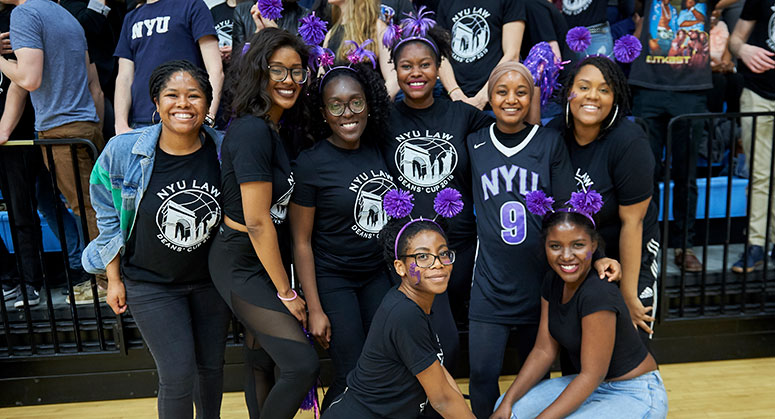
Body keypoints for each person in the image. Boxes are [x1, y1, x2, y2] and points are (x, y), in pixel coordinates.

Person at [466, 61, 618, 418]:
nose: (511, 99)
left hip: (540, 285)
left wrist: (596, 254)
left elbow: (569, 214)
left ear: (533, 96)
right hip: (489, 284)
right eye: (502, 92)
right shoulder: (473, 143)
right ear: (489, 97)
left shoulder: (548, 142)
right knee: (483, 374)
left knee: (537, 377)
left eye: (521, 92)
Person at [82, 60, 231, 419]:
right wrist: (113, 279)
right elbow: (106, 211)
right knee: (178, 373)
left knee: (210, 370)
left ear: (207, 103)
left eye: (194, 95)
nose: (184, 104)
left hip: (213, 282)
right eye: (172, 95)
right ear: (156, 101)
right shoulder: (125, 151)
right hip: (151, 284)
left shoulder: (226, 151)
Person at [207, 28, 319, 419]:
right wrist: (287, 293)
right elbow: (256, 222)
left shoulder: (271, 127)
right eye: (278, 70)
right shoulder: (254, 130)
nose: (289, 80)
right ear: (259, 72)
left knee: (261, 362)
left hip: (258, 260)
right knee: (301, 364)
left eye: (297, 72)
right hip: (241, 262)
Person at [381, 15, 492, 380]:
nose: (416, 73)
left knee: (447, 338)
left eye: (425, 64)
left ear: (439, 67)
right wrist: (386, 88)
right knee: (441, 341)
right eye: (406, 66)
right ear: (394, 70)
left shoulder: (462, 116)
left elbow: (514, 133)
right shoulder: (384, 120)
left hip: (457, 246)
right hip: (411, 254)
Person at [491, 201, 668, 418]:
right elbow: (543, 350)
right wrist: (507, 402)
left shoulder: (597, 292)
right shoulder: (552, 281)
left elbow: (592, 375)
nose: (566, 256)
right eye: (555, 246)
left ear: (593, 246)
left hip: (634, 391)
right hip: (592, 384)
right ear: (545, 246)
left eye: (577, 245)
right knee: (509, 410)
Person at [290, 62, 395, 410]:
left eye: (355, 102)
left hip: (376, 274)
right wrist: (315, 308)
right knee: (351, 373)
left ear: (368, 104)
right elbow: (301, 242)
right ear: (324, 113)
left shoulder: (378, 148)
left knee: (384, 363)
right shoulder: (311, 163)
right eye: (336, 105)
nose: (347, 113)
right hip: (334, 280)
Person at [547, 56, 661, 344]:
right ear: (568, 92)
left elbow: (632, 224)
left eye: (604, 89)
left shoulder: (629, 142)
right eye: (583, 87)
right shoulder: (553, 136)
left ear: (615, 98)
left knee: (632, 343)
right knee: (582, 349)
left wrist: (629, 295)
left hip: (631, 248)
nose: (593, 97)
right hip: (583, 253)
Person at [0, 0, 105, 305]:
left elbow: (28, 79)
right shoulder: (67, 17)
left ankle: (104, 283)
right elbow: (94, 86)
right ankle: (105, 278)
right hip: (84, 125)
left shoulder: (24, 14)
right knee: (93, 205)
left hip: (60, 129)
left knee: (86, 209)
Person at [322, 214, 475, 419]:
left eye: (443, 254)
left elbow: (441, 378)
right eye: (422, 257)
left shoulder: (416, 305)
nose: (438, 264)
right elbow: (442, 400)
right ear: (400, 267)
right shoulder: (405, 314)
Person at [630, 0, 713, 273]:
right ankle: (644, 243)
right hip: (648, 86)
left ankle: (684, 246)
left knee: (685, 175)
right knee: (644, 173)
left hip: (691, 89)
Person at [114, 0, 223, 133]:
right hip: (140, 122)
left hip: (185, 117)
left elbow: (215, 69)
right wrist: (120, 123)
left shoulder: (192, 5)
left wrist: (208, 117)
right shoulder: (131, 17)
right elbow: (124, 77)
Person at [727, 0, 775, 272]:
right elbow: (735, 41)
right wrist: (742, 49)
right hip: (758, 93)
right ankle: (755, 245)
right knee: (759, 173)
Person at [0, 2, 41, 308]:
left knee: (21, 210)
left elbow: (23, 79)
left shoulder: (14, 17)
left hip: (14, 132)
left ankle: (30, 282)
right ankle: (7, 276)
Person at [436, 0, 526, 110]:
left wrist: (481, 98)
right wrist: (456, 94)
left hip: (495, 102)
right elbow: (442, 54)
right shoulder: (446, 3)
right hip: (453, 101)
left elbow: (512, 55)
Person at [323, 0, 399, 98]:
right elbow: (322, 79)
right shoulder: (330, 34)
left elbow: (393, 80)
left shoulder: (377, 28)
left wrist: (377, 109)